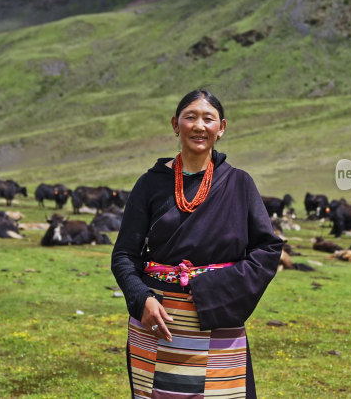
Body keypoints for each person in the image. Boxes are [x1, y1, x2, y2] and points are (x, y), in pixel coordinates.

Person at [111, 89, 284, 398]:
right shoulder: (150, 183)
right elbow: (125, 254)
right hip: (157, 320)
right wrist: (142, 299)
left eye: (209, 119)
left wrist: (216, 292)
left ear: (222, 128)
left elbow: (267, 250)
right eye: (190, 117)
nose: (199, 126)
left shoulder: (239, 183)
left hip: (218, 317)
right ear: (176, 125)